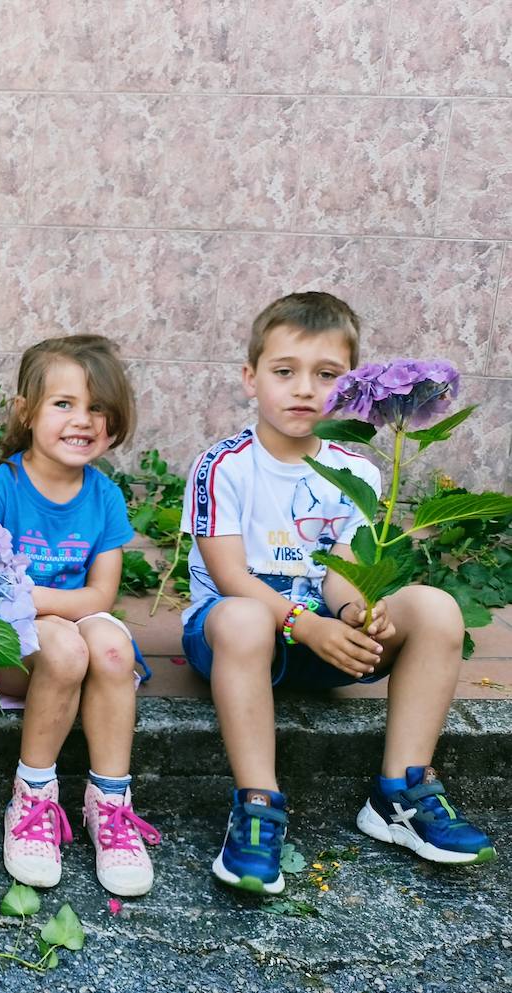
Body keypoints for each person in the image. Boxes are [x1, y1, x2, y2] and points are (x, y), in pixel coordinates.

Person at [181, 291, 496, 896]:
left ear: (348, 386)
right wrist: (309, 625)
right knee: (245, 617)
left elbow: (342, 568)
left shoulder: (357, 470)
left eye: (326, 375)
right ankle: (257, 804)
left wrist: (355, 611)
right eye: (284, 372)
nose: (304, 389)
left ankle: (400, 792)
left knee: (435, 609)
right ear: (251, 379)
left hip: (325, 638)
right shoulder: (224, 466)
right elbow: (229, 577)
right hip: (235, 641)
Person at [0, 336, 159, 896]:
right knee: (68, 646)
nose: (84, 420)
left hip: (67, 624)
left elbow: (101, 595)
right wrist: (36, 609)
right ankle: (33, 795)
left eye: (98, 407)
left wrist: (37, 598)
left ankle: (111, 803)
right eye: (64, 404)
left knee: (113, 648)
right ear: (26, 412)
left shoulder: (104, 496)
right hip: (11, 650)